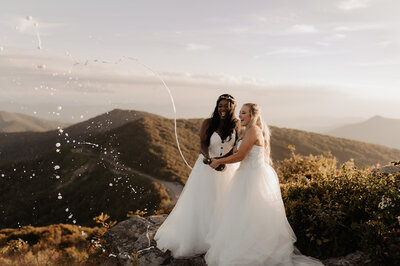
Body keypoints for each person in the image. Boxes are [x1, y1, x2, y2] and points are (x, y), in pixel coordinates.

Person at [206, 103, 323, 266]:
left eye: (244, 113)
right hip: (245, 175)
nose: (240, 115)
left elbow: (240, 156)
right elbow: (234, 152)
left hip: (253, 178)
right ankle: (243, 248)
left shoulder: (253, 130)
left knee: (252, 215)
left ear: (253, 115)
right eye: (240, 112)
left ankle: (254, 253)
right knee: (242, 215)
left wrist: (218, 162)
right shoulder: (247, 130)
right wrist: (218, 160)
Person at [155, 94, 239, 258]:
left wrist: (223, 161)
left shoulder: (236, 124)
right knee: (204, 201)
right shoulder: (208, 122)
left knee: (224, 202)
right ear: (217, 106)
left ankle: (219, 237)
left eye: (226, 106)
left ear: (232, 108)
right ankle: (201, 238)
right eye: (220, 105)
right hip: (206, 167)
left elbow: (236, 146)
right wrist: (209, 159)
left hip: (227, 167)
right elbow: (202, 143)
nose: (223, 109)